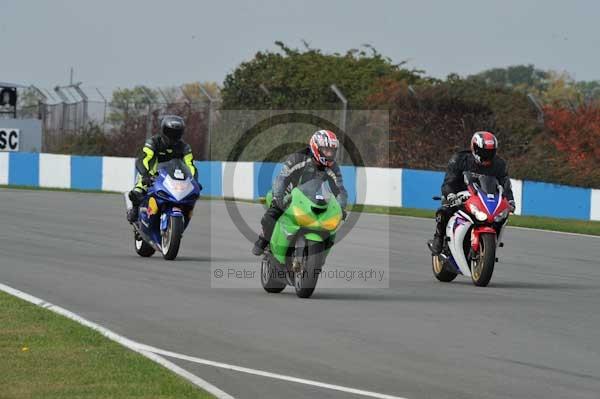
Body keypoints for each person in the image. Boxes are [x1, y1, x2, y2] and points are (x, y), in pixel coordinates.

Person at [252, 129, 348, 256]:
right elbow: (282, 178)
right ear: (316, 147)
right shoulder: (298, 158)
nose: (329, 154)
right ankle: (264, 239)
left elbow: (339, 189)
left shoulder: (332, 167)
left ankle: (320, 256)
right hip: (290, 193)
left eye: (332, 151)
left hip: (313, 197)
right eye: (326, 150)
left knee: (330, 224)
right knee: (272, 214)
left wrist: (341, 207)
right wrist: (278, 198)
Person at [429, 131, 516, 255]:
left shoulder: (499, 165)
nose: (487, 156)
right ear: (474, 148)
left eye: (490, 153)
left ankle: (490, 247)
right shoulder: (460, 159)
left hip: (485, 199)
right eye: (484, 152)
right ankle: (438, 238)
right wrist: (451, 195)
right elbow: (449, 181)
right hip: (461, 195)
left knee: (501, 217)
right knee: (445, 211)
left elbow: (505, 184)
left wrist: (510, 200)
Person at [126, 115, 198, 222]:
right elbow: (143, 159)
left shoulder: (184, 147)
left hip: (173, 178)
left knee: (191, 198)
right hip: (152, 176)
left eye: (176, 133)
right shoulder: (153, 142)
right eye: (170, 132)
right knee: (137, 192)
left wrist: (194, 180)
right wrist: (145, 175)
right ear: (163, 130)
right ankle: (135, 210)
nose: (173, 136)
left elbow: (190, 165)